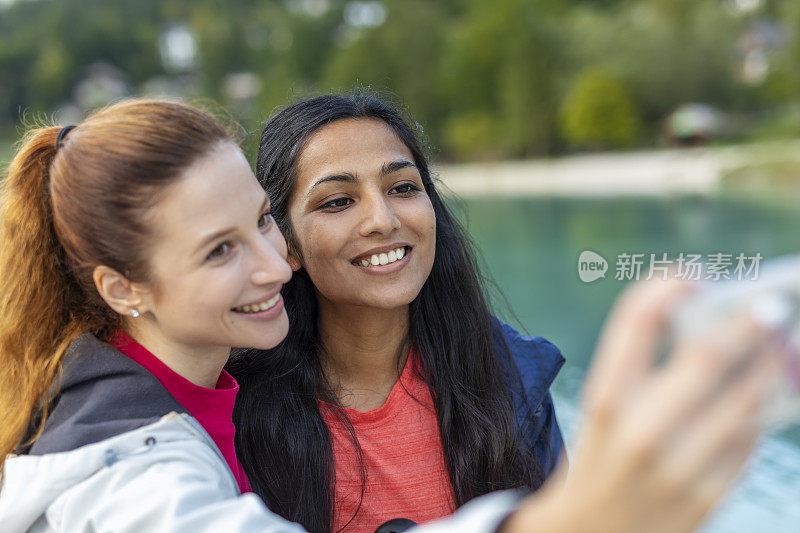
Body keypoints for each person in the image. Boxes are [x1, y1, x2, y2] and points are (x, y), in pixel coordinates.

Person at [230, 92, 782, 533]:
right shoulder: (232, 409)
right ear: (287, 245)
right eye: (337, 201)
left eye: (402, 187)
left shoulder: (514, 380)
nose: (383, 220)